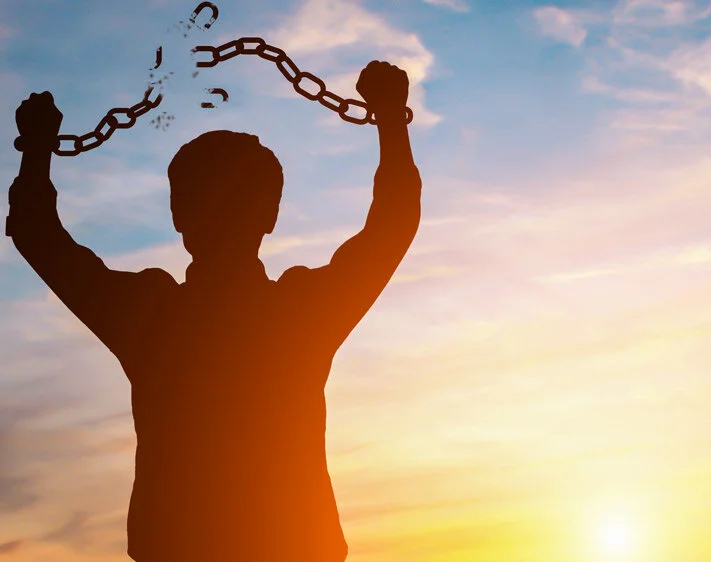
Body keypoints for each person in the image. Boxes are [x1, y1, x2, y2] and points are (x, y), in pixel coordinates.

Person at [6, 61, 421, 562]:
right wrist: (390, 120)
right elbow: (393, 221)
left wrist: (37, 148)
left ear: (178, 214)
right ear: (271, 215)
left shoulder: (148, 317)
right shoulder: (303, 313)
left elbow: (38, 235)